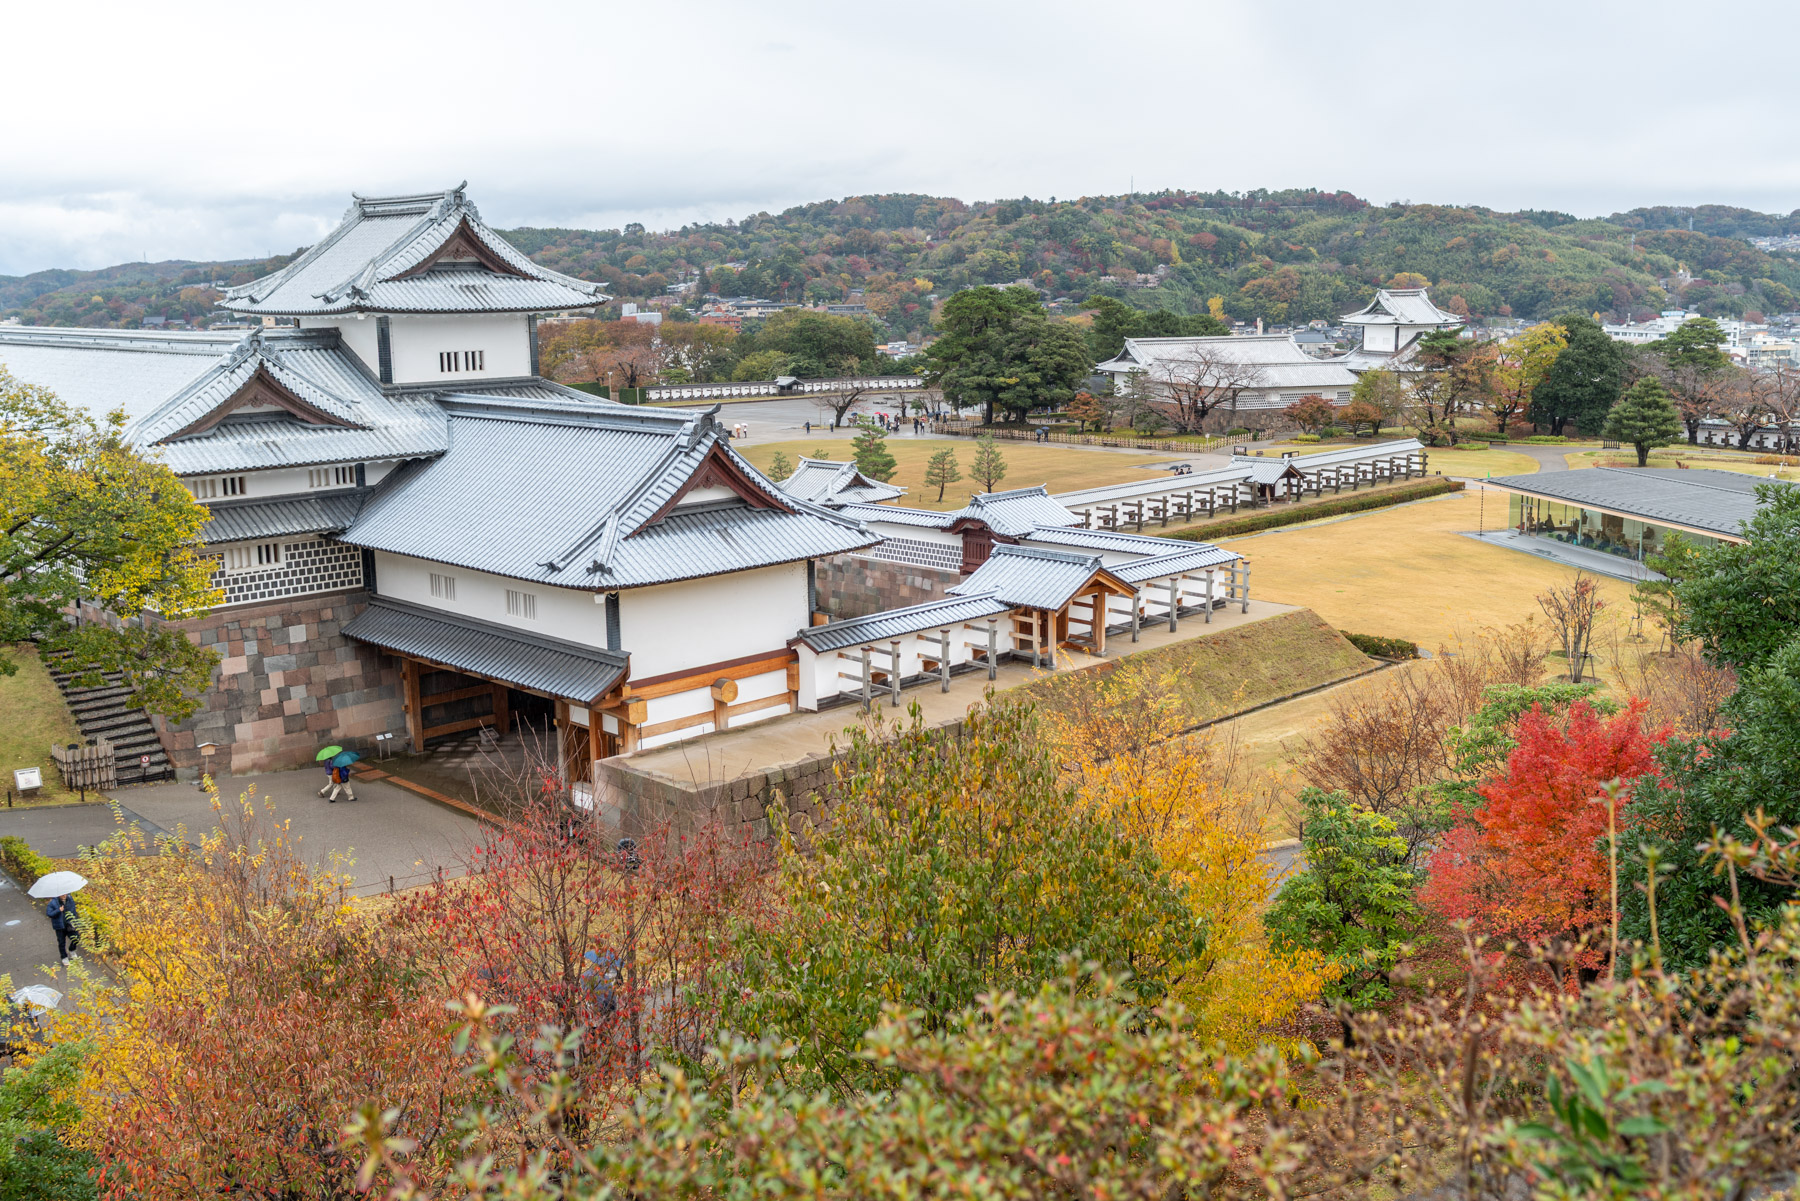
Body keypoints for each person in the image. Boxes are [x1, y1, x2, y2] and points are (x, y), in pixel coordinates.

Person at [46, 893, 78, 964]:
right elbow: (49, 913)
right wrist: (58, 910)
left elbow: (74, 911)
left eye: (65, 894)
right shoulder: (53, 903)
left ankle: (72, 950)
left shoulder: (70, 899)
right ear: (58, 895)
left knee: (76, 938)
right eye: (62, 895)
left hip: (69, 924)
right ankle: (64, 957)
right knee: (61, 942)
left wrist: (75, 921)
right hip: (60, 926)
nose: (64, 896)